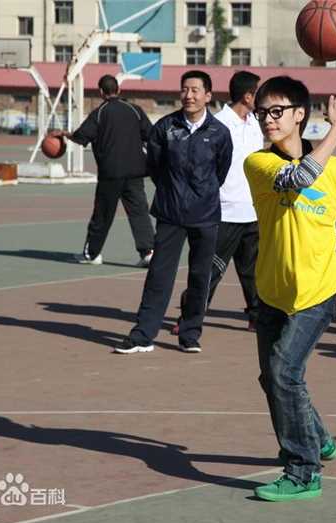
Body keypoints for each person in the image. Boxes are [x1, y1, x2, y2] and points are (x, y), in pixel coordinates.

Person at [244, 76, 336, 501]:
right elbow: (300, 176)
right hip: (272, 290)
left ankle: (303, 471)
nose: (267, 120)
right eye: (261, 113)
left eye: (276, 111)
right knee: (272, 378)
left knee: (284, 373)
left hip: (317, 291)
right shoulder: (259, 164)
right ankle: (317, 437)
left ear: (299, 114)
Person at [115, 70, 233, 354]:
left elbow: (221, 170)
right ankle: (143, 335)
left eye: (195, 90)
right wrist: (173, 192)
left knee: (200, 277)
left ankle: (190, 334)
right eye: (184, 89)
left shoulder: (219, 133)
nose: (188, 95)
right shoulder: (165, 127)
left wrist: (201, 194)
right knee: (159, 275)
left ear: (208, 95)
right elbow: (155, 167)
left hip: (205, 215)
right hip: (171, 213)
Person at [172, 71, 264, 334]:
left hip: (252, 210)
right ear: (248, 96)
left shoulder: (256, 123)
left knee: (254, 271)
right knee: (210, 270)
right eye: (259, 93)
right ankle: (189, 318)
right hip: (224, 211)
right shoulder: (218, 124)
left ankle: (257, 317)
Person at [58, 74, 155, 267]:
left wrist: (66, 134)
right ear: (119, 90)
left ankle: (92, 254)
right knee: (139, 213)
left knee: (102, 215)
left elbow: (82, 136)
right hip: (135, 172)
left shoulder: (100, 112)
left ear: (101, 92)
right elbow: (151, 135)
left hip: (110, 173)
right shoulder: (135, 110)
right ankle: (148, 253)